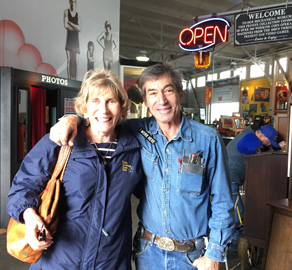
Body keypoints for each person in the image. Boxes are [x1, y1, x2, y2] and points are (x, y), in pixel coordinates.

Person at [49, 62, 234, 270]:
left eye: (168, 91)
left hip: (193, 257)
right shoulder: (134, 131)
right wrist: (71, 119)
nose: (161, 100)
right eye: (153, 93)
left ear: (180, 95)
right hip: (149, 254)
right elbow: (101, 118)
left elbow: (223, 201)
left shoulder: (208, 140)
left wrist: (215, 254)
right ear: (145, 101)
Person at [7, 69, 143, 269]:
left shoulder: (134, 150)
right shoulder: (60, 142)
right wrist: (29, 216)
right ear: (84, 107)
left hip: (111, 262)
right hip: (59, 261)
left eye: (111, 101)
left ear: (122, 107)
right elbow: (23, 186)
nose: (103, 110)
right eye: (95, 101)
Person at [226, 124, 283, 251]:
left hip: (230, 178)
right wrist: (277, 149)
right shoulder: (250, 138)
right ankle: (236, 245)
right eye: (268, 141)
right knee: (239, 215)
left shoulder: (249, 135)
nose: (268, 144)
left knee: (236, 212)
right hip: (228, 179)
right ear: (261, 135)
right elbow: (260, 157)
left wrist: (277, 147)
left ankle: (234, 243)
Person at [64, 0, 81, 80]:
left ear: (76, 3)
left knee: (76, 62)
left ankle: (76, 80)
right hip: (69, 40)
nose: (72, 4)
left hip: (76, 41)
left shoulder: (78, 16)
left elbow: (79, 29)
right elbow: (65, 25)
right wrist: (75, 27)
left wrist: (71, 23)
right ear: (69, 3)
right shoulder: (66, 12)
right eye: (71, 2)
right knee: (69, 60)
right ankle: (68, 79)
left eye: (74, 2)